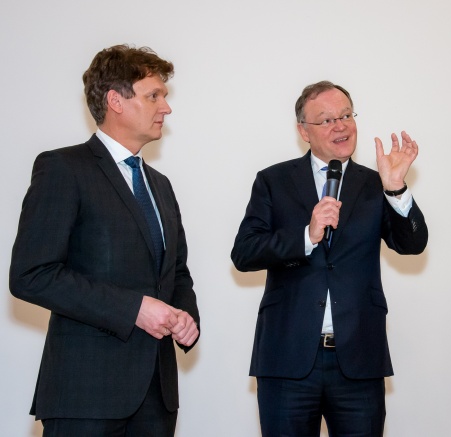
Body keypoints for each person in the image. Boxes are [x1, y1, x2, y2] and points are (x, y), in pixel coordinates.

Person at [9, 44, 200, 436]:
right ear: (115, 100)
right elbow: (31, 274)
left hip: (156, 398)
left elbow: (176, 273)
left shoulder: (160, 186)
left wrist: (185, 316)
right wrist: (134, 309)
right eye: (154, 95)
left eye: (164, 96)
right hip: (85, 396)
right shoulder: (63, 168)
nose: (166, 107)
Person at [231, 80, 428, 436]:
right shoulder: (273, 181)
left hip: (357, 360)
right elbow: (244, 253)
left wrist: (396, 188)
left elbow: (412, 244)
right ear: (303, 131)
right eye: (326, 120)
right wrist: (306, 236)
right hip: (287, 359)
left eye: (346, 115)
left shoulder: (375, 183)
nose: (341, 126)